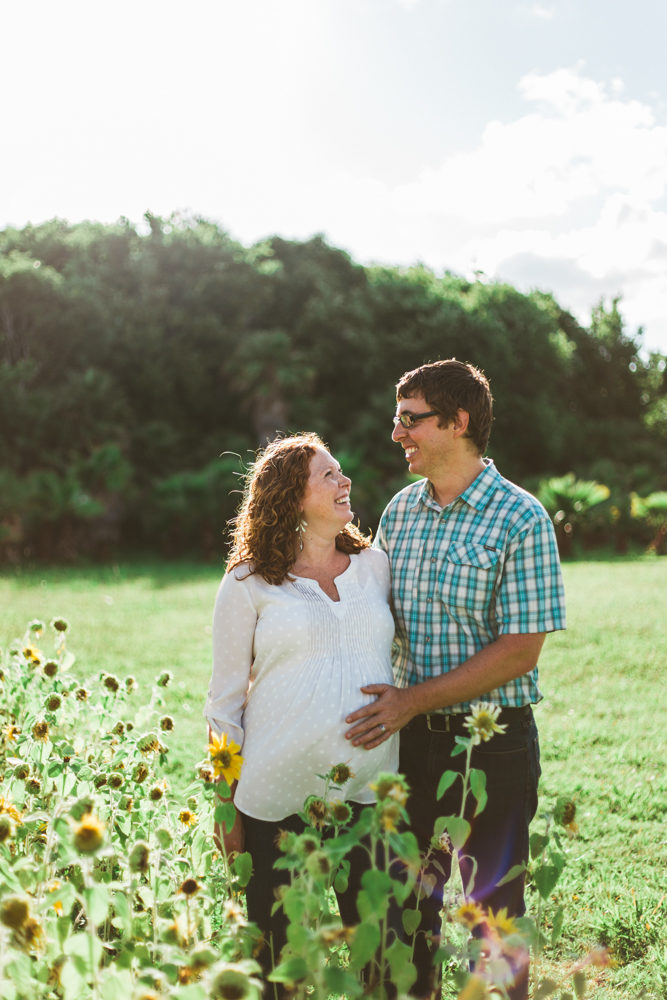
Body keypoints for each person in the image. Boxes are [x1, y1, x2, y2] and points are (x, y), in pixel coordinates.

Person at [344, 360, 566, 1000]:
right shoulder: (401, 512)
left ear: (458, 421)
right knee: (405, 911)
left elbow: (521, 650)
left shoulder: (521, 519)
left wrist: (412, 699)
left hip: (493, 746)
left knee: (494, 924)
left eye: (410, 419)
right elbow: (364, 614)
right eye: (398, 419)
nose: (396, 433)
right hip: (407, 747)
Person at [203, 432, 399, 984]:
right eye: (329, 475)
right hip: (276, 803)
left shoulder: (376, 569)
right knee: (276, 969)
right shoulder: (247, 582)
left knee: (384, 962)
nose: (346, 481)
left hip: (369, 793)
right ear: (292, 497)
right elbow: (223, 705)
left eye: (341, 471)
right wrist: (226, 807)